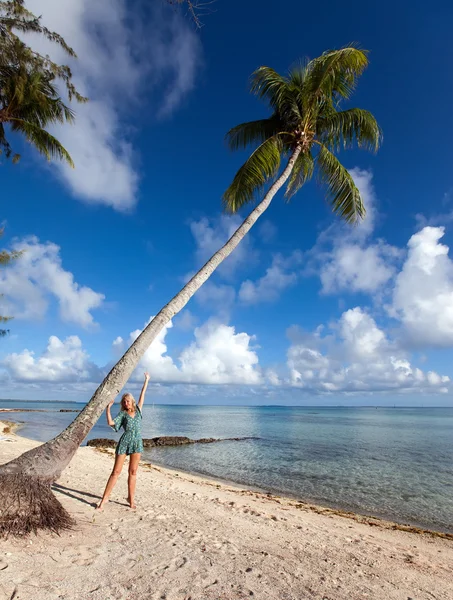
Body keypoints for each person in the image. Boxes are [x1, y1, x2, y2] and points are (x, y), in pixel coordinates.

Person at [96, 372, 150, 510]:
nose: (126, 403)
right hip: (125, 442)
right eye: (124, 401)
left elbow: (142, 394)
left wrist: (147, 380)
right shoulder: (122, 414)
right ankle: (104, 499)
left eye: (128, 401)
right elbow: (111, 423)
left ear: (132, 401)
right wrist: (108, 409)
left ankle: (131, 500)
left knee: (133, 472)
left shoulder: (138, 410)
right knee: (116, 472)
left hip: (137, 443)